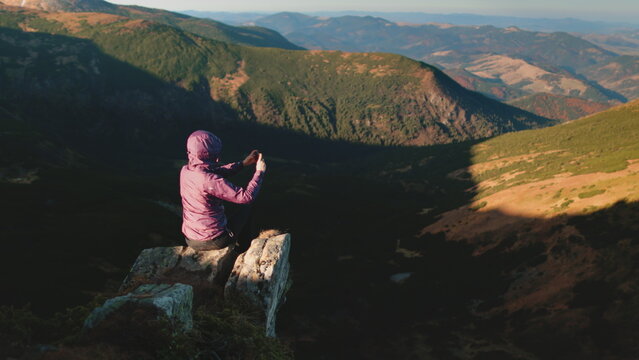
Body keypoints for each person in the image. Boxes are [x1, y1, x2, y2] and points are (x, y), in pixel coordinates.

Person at [179, 130, 266, 252]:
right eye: (214, 154)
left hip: (190, 238)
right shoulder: (209, 180)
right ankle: (242, 251)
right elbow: (247, 197)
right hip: (214, 240)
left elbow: (214, 172)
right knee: (247, 207)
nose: (218, 158)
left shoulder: (186, 171)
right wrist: (259, 172)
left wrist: (243, 164)